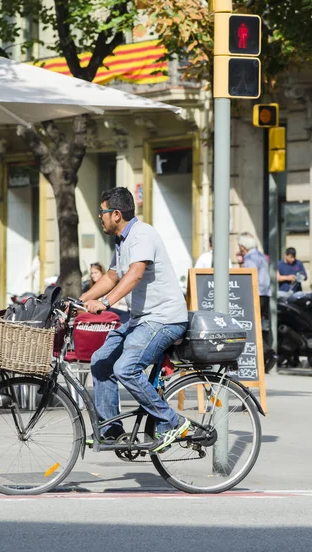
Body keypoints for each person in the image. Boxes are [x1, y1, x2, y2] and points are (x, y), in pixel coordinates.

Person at [79, 186, 190, 452]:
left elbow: (135, 274)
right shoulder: (122, 241)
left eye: (102, 212)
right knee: (101, 361)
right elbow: (112, 277)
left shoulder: (142, 235)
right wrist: (81, 302)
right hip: (142, 319)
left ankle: (172, 422)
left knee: (125, 368)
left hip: (164, 319)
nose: (99, 217)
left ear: (116, 214)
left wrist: (105, 303)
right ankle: (112, 430)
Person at [238, 232, 276, 373]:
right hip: (265, 294)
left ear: (243, 246)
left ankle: (268, 352)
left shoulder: (250, 257)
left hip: (256, 294)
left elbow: (249, 277)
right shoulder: (260, 255)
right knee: (260, 326)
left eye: (240, 245)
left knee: (251, 326)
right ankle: (265, 355)